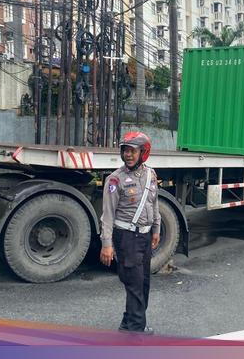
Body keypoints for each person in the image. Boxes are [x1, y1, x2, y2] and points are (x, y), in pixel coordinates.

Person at [100, 131, 160, 334]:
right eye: (125, 150)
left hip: (144, 236)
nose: (128, 155)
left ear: (143, 153)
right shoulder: (115, 180)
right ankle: (136, 333)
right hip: (126, 239)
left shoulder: (151, 174)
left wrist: (156, 229)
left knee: (143, 284)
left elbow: (154, 203)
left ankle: (128, 324)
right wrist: (107, 244)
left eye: (132, 151)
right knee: (134, 285)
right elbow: (107, 215)